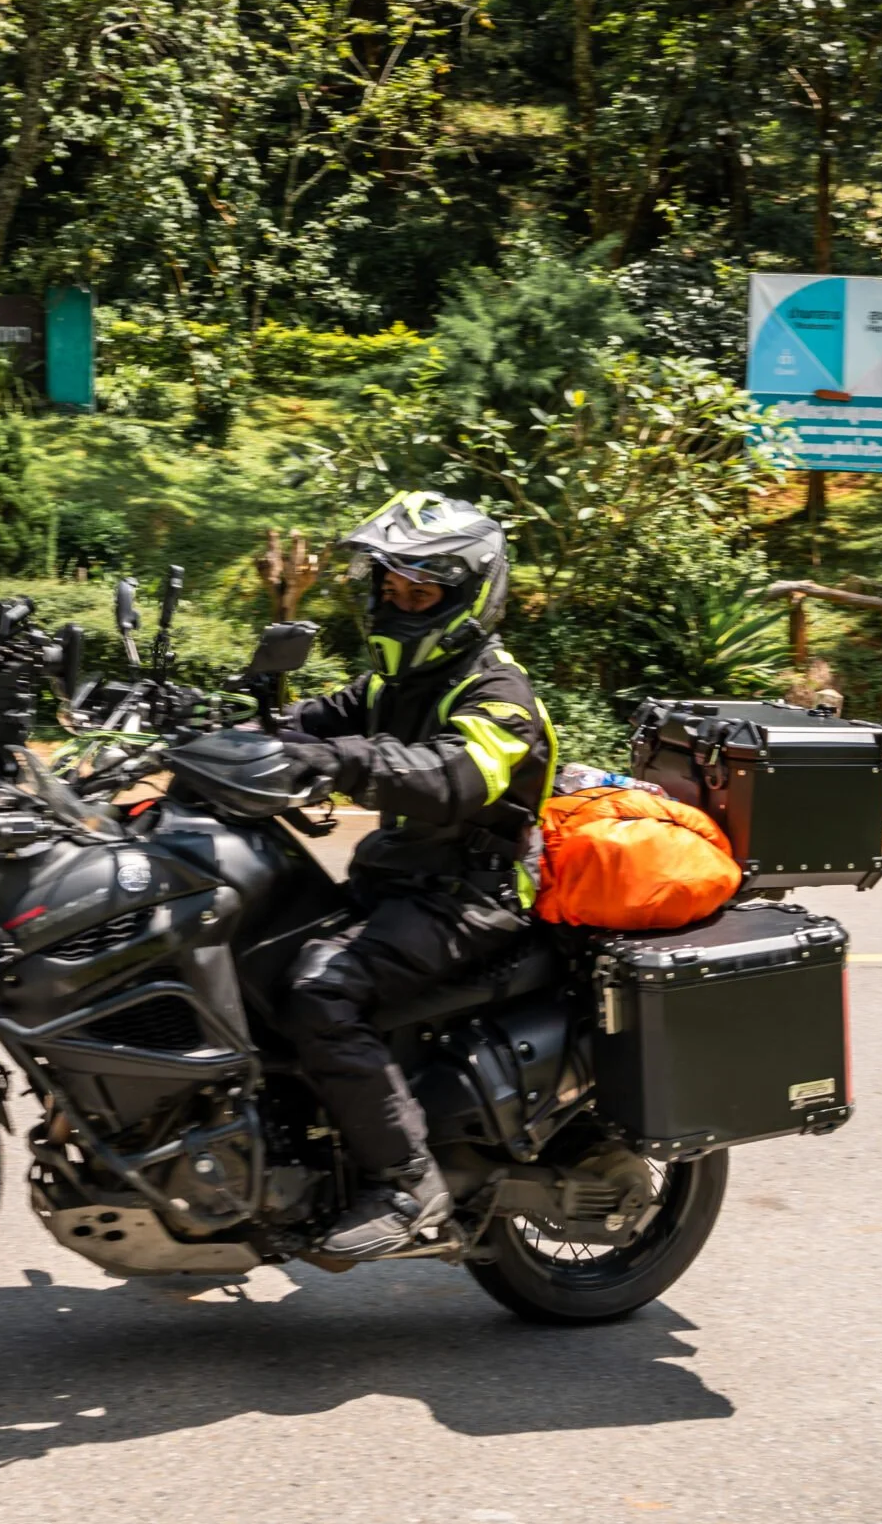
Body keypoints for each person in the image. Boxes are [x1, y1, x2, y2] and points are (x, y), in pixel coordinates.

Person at [275, 492, 556, 1258]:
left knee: (322, 991)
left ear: (469, 596)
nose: (398, 604)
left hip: (470, 897)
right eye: (391, 589)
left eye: (419, 592)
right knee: (259, 937)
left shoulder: (497, 694)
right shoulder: (398, 685)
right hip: (402, 881)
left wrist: (340, 762)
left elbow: (455, 774)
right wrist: (235, 726)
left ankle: (406, 1182)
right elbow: (319, 718)